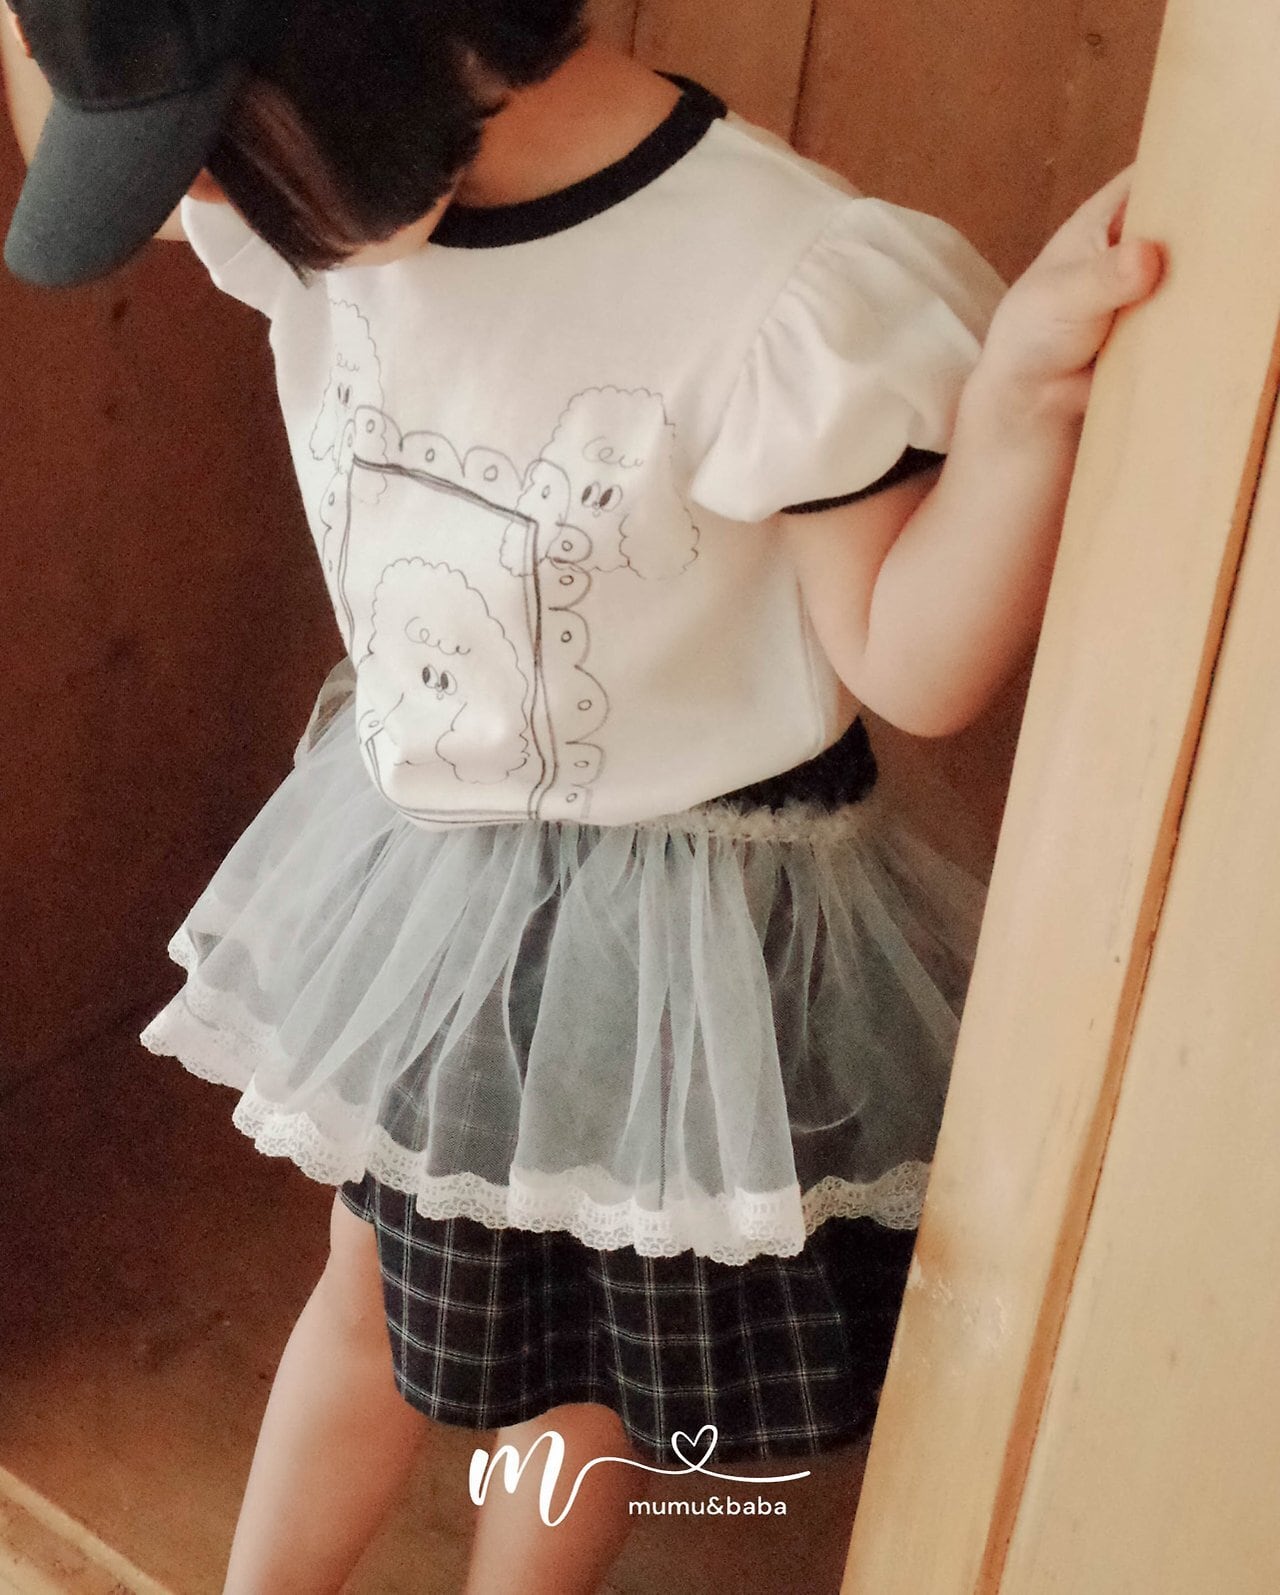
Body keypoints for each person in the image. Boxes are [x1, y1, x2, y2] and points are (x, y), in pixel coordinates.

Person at [2, 3, 1165, 1592]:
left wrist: (1020, 410)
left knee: (583, 1377)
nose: (195, 200)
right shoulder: (312, 199)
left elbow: (911, 663)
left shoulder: (778, 288)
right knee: (368, 1290)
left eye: (207, 149)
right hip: (435, 881)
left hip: (679, 935)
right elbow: (104, 97)